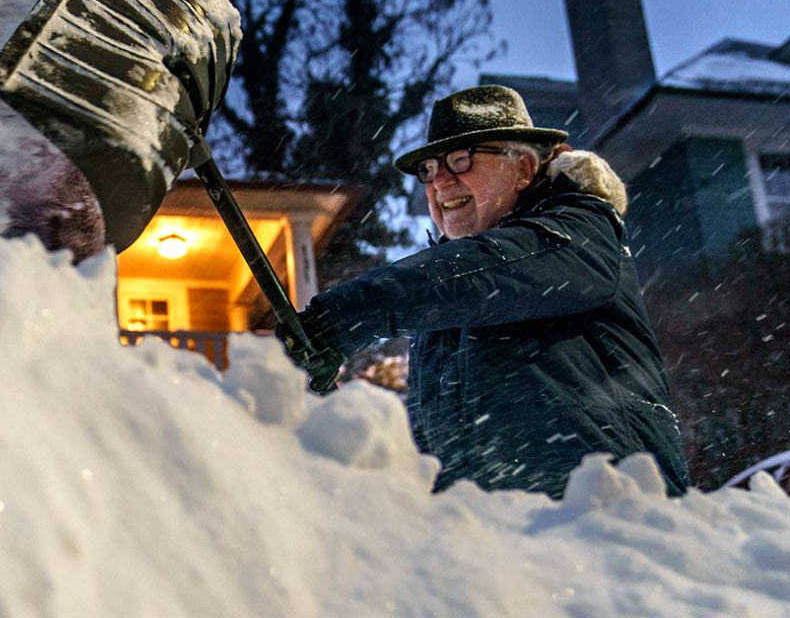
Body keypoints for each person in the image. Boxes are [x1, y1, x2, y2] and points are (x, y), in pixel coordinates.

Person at [282, 85, 689, 498]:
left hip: (609, 530)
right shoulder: (445, 299)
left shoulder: (577, 232)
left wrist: (341, 320)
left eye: (461, 159)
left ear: (524, 169)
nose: (439, 180)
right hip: (503, 544)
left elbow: (487, 269)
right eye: (429, 168)